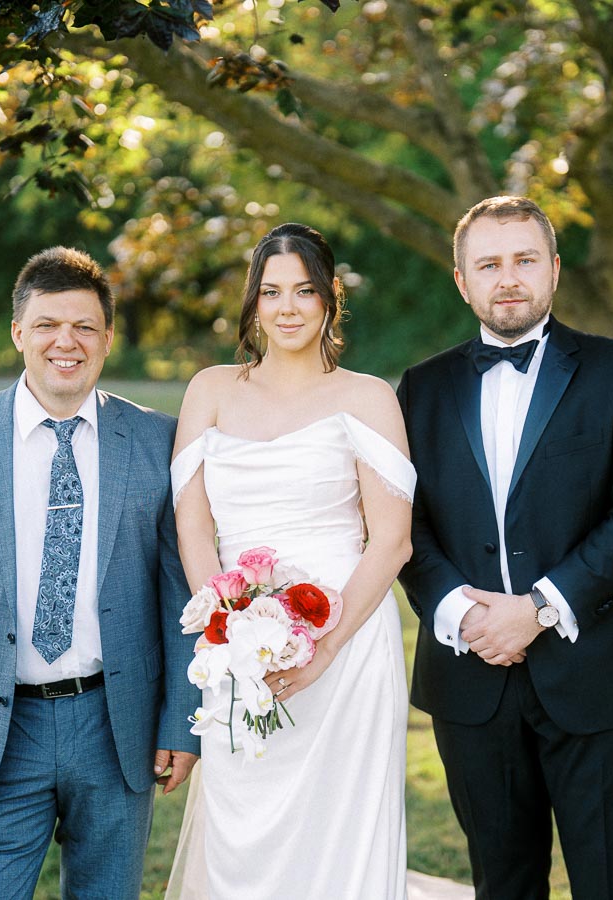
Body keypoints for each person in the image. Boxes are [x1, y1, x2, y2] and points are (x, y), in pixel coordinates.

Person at [0, 247, 200, 898]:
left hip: (118, 725)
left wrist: (180, 722)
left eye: (85, 326)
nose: (67, 341)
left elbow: (183, 593)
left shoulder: (157, 441)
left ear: (108, 338)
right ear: (18, 334)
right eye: (49, 324)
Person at [397, 196, 613, 898]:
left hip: (600, 674)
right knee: (502, 883)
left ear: (553, 270)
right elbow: (404, 524)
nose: (508, 278)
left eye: (524, 260)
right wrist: (464, 612)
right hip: (471, 677)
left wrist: (541, 607)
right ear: (462, 281)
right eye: (488, 264)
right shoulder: (420, 389)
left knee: (612, 879)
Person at [165, 223, 415, 899]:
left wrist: (326, 647)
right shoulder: (211, 390)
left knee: (340, 827)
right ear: (253, 302)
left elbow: (392, 540)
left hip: (349, 645)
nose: (287, 307)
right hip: (239, 648)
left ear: (330, 297)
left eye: (304, 290)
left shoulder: (367, 397)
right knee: (244, 825)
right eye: (271, 291)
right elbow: (193, 525)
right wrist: (228, 630)